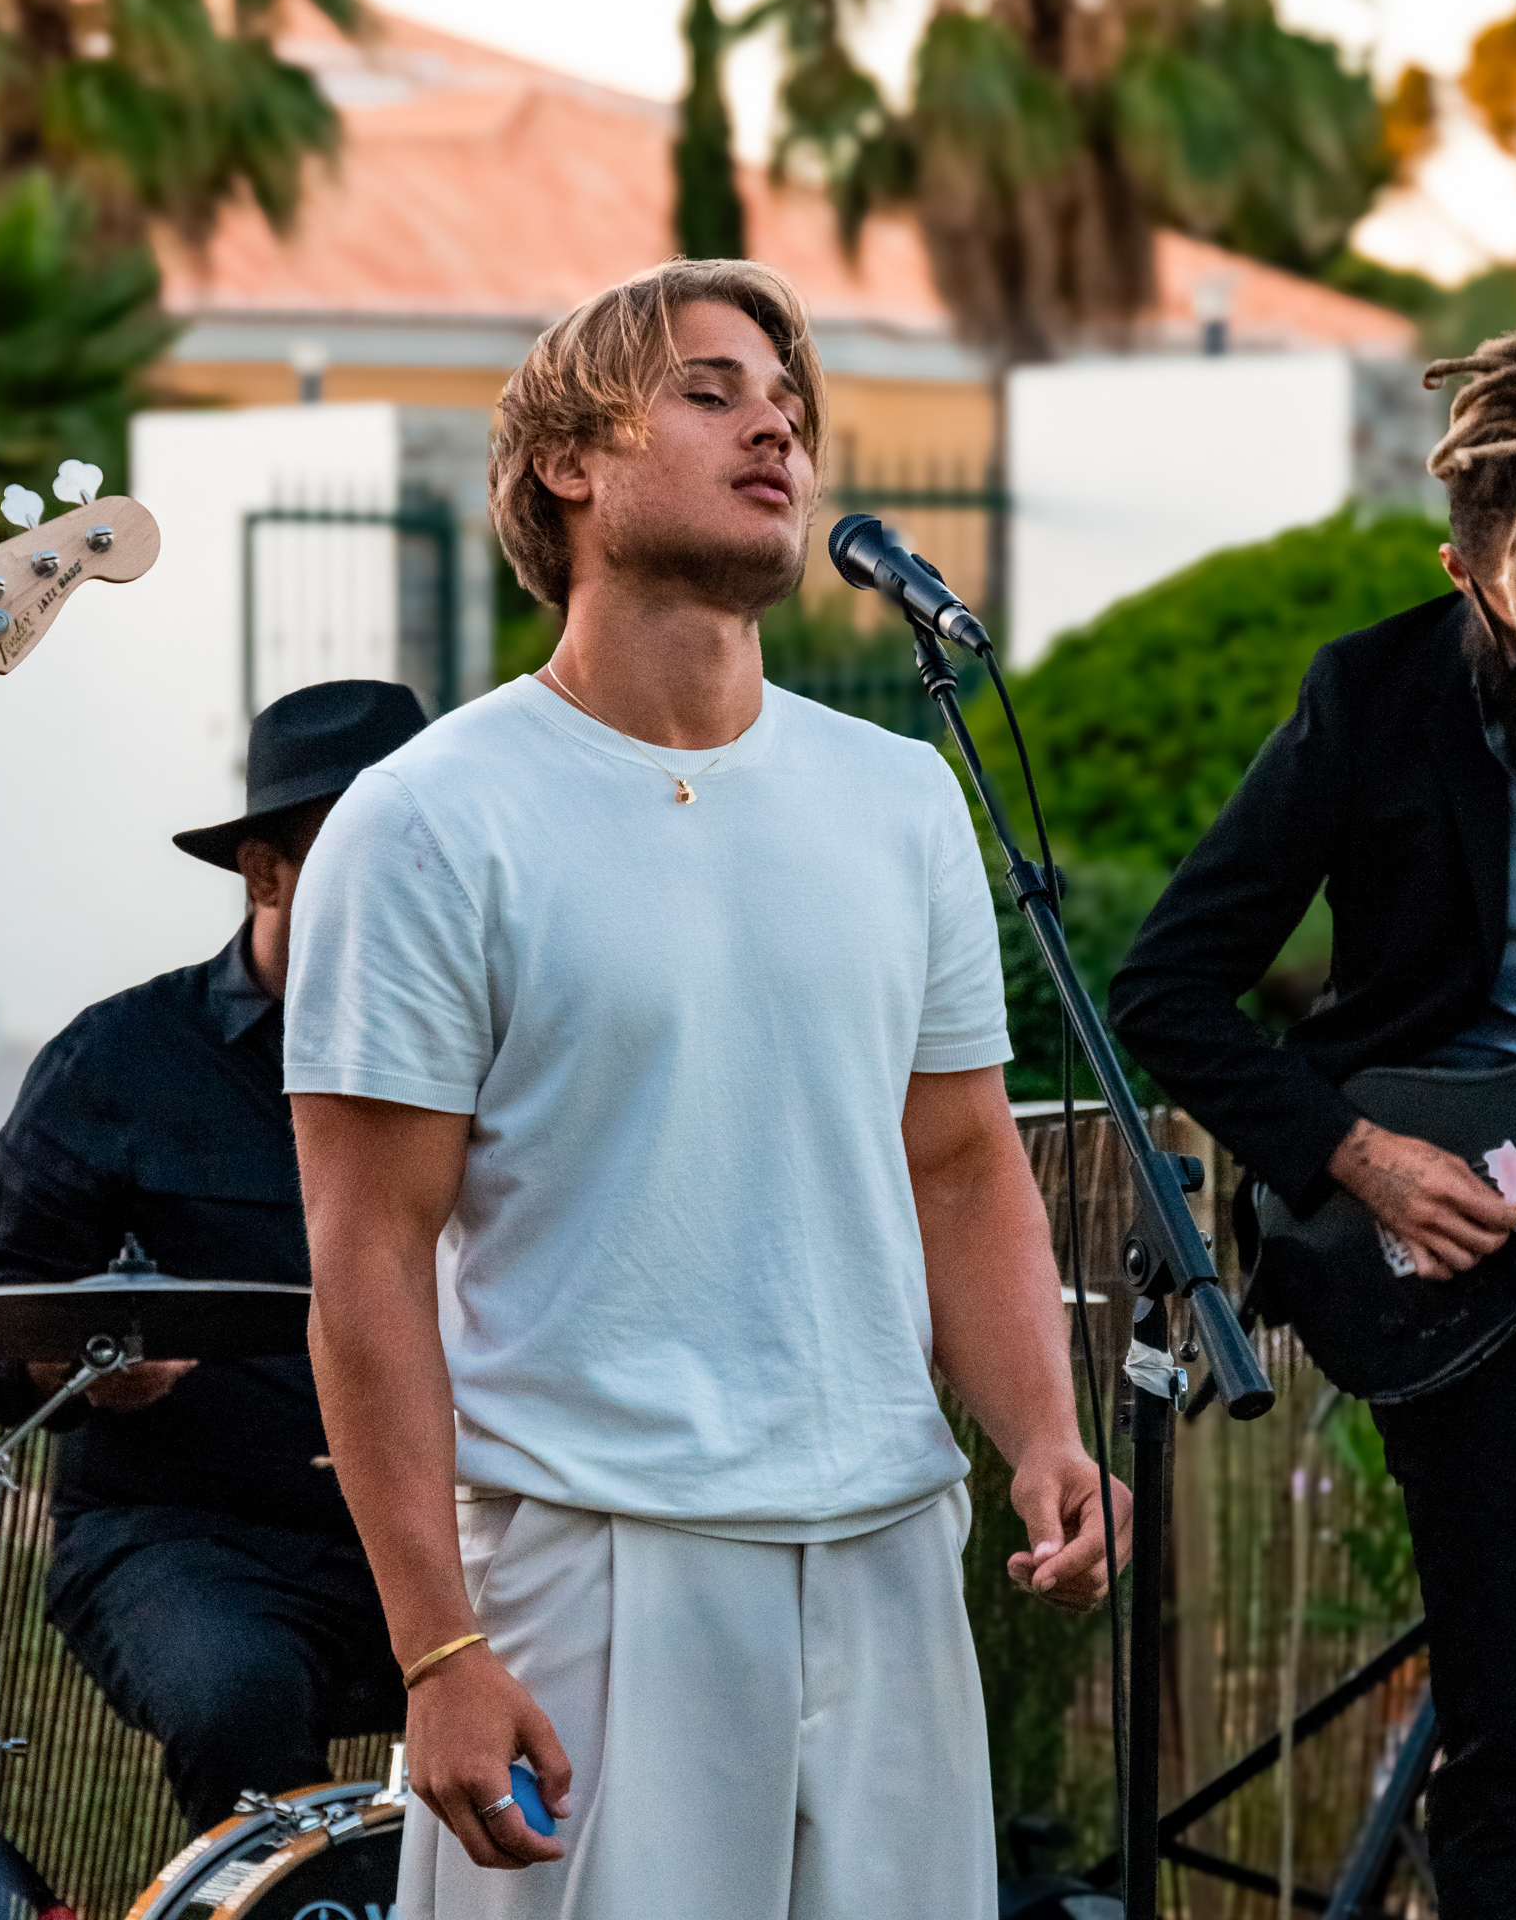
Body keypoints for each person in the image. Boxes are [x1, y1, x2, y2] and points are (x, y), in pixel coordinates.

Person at [283, 257, 1132, 1920]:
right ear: (566, 464)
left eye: (787, 403)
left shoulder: (899, 797)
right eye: (708, 390)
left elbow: (960, 1161)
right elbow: (365, 1256)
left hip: (891, 1547)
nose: (775, 429)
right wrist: (438, 1648)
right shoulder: (427, 818)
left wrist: (1041, 1428)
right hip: (592, 1567)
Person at [1108, 295, 1516, 1919]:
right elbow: (1165, 986)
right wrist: (1354, 1155)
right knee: (1503, 1734)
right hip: (1467, 1293)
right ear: (1461, 577)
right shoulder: (1370, 699)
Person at [0, 679, 424, 1836]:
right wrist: (84, 1358)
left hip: (440, 1522)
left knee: (604, 1680)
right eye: (363, 860)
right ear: (264, 872)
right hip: (187, 1536)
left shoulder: (493, 1049)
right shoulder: (118, 1059)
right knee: (237, 1694)